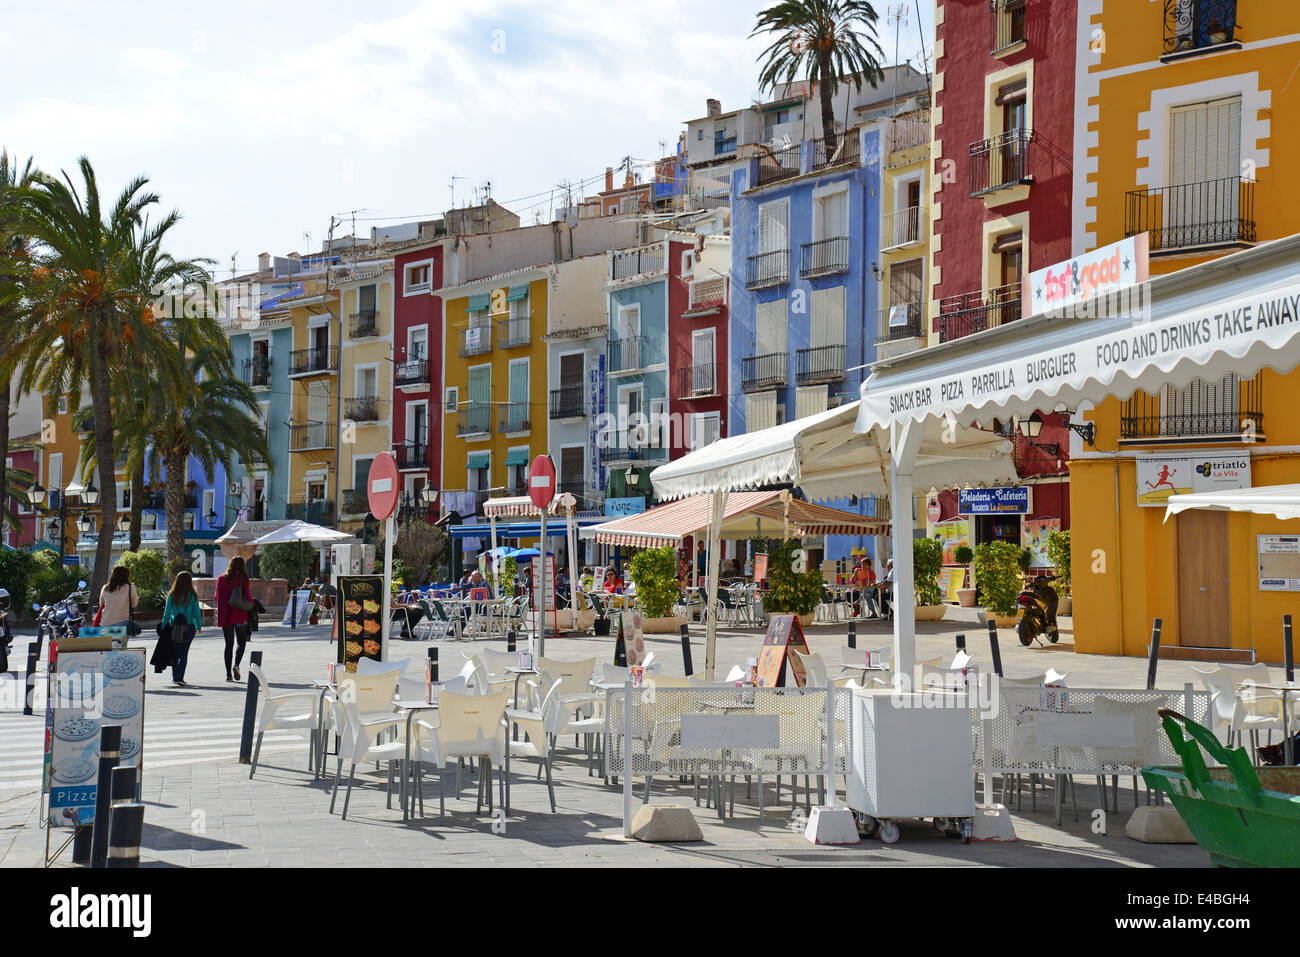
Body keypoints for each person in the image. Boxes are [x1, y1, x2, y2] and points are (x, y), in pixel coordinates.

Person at [161, 572, 203, 687]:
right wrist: (199, 626)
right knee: (183, 653)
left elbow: (167, 612)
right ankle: (180, 677)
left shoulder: (172, 594)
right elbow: (196, 613)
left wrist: (163, 625)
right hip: (189, 627)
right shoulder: (193, 595)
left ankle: (175, 677)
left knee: (174, 653)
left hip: (174, 627)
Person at [216, 556, 254, 682]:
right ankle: (236, 665)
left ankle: (228, 675)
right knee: (241, 642)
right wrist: (253, 603)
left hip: (225, 615)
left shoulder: (221, 579)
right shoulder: (243, 578)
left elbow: (216, 597)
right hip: (239, 614)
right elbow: (248, 596)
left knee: (228, 644)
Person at [97, 563, 138, 628]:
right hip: (123, 622)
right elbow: (134, 603)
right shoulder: (130, 587)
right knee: (121, 638)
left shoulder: (105, 588)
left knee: (108, 638)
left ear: (113, 575)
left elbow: (101, 604)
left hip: (106, 622)